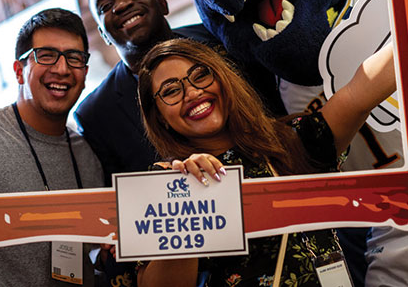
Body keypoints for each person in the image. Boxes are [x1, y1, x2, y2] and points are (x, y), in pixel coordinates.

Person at [136, 38, 396, 287]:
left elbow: (358, 93)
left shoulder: (289, 142)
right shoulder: (167, 180)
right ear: (159, 118)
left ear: (223, 79)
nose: (192, 92)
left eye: (201, 75)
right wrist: (184, 200)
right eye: (171, 90)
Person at [75, 0, 283, 186]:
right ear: (102, 34)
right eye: (106, 6)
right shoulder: (95, 114)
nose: (122, 4)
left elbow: (273, 103)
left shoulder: (220, 38)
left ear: (163, 4)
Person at [0, 8, 104, 286]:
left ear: (84, 73)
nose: (61, 69)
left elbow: (94, 252)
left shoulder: (87, 155)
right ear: (19, 71)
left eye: (74, 58)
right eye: (46, 55)